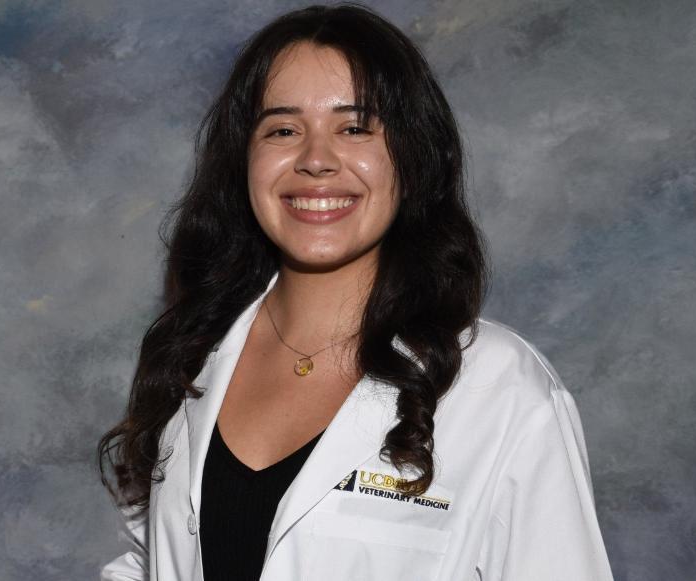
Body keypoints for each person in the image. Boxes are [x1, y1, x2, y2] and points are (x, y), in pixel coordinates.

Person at [98, 4, 614, 581]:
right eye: (283, 130)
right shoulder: (190, 356)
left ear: (412, 158)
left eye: (354, 128)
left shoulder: (503, 388)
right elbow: (146, 561)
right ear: (243, 160)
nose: (316, 160)